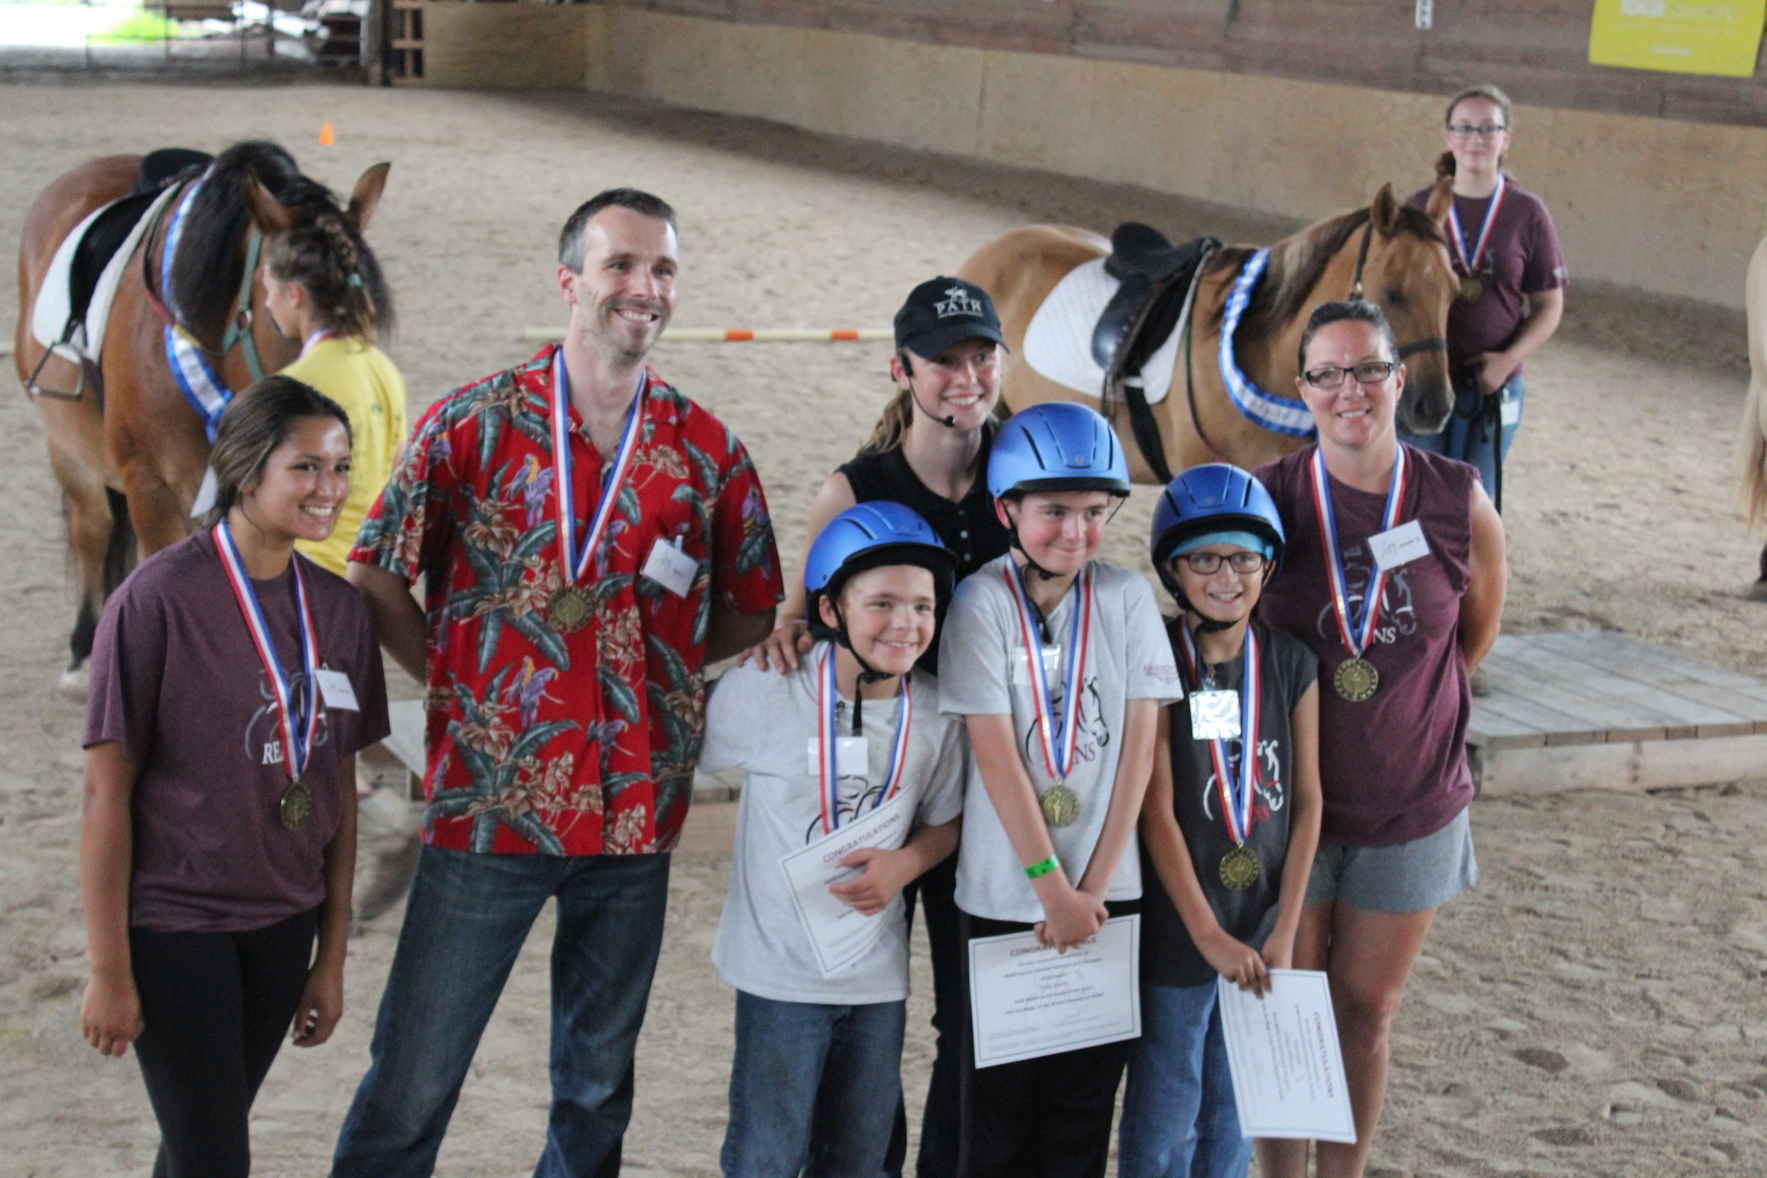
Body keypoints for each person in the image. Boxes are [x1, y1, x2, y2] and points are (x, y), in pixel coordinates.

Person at [331, 188, 783, 1178]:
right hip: (491, 807)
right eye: (621, 264)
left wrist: (662, 677)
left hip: (635, 816)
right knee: (413, 1077)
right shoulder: (473, 424)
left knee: (595, 1090)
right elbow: (373, 573)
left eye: (661, 268)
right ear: (570, 280)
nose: (643, 287)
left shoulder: (704, 451)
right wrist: (453, 681)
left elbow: (753, 602)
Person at [79, 375, 389, 1178]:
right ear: (249, 471)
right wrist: (110, 971)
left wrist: (330, 954)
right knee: (216, 1156)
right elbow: (105, 793)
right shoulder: (154, 602)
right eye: (306, 468)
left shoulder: (341, 611)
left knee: (198, 1147)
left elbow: (337, 792)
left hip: (283, 921)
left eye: (339, 468)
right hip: (178, 922)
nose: (329, 489)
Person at [741, 273, 1012, 1176]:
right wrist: (780, 642)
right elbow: (799, 621)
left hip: (992, 774)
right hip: (886, 785)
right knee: (866, 1004)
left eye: (981, 357)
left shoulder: (1022, 469)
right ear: (904, 370)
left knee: (969, 1011)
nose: (964, 377)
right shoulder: (853, 488)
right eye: (943, 361)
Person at [1254, 299, 1506, 1178]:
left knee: (1366, 1009)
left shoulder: (1454, 498)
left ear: (1399, 379)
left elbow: (1471, 636)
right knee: (1289, 1007)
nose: (1348, 389)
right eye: (1327, 373)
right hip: (1288, 809)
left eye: (1366, 369)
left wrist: (1399, 707)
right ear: (1303, 390)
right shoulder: (1268, 500)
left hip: (1409, 801)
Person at [937, 401, 1184, 1178]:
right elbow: (996, 754)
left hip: (1106, 899)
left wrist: (1093, 887)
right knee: (997, 1114)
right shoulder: (979, 602)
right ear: (1006, 509)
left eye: (1091, 512)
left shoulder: (1126, 596)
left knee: (1081, 1115)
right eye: (1053, 512)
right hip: (1007, 897)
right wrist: (1051, 887)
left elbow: (1140, 749)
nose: (1074, 532)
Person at [705, 502, 967, 1177]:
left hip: (874, 979)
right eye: (880, 603)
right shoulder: (765, 690)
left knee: (858, 1157)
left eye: (922, 606)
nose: (904, 623)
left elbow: (947, 823)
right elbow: (685, 759)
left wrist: (906, 863)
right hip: (778, 980)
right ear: (829, 612)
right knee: (767, 1153)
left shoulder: (937, 715)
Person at [1117, 464, 1322, 1178]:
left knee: (1234, 1105)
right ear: (1172, 569)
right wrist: (1205, 934)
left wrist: (1286, 929)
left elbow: (1308, 803)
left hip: (1261, 925)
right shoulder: (1156, 661)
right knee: (1167, 1099)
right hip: (1181, 929)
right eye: (1204, 558)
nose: (1224, 575)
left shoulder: (1292, 663)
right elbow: (1156, 811)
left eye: (1241, 557)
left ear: (1266, 564)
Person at [1400, 82, 1566, 510]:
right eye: (1465, 128)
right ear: (1448, 136)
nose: (1476, 139)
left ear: (1505, 139)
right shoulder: (1417, 210)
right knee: (1416, 495)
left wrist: (1507, 362)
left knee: (1475, 501)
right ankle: (1413, 578)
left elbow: (1549, 306)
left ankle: (1469, 579)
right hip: (1426, 381)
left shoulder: (1527, 213)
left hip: (1494, 385)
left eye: (1488, 129)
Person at [262, 200, 405, 578]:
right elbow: (399, 474)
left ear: (295, 295)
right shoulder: (383, 368)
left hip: (305, 574)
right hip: (367, 573)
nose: (266, 303)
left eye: (269, 290)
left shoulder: (293, 384)